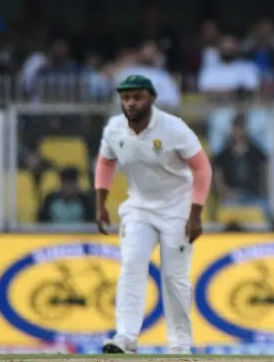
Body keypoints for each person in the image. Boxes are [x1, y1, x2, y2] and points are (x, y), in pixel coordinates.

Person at [94, 75, 212, 354]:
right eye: (126, 98)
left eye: (137, 97)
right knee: (132, 265)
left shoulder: (174, 128)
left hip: (178, 209)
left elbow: (203, 169)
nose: (131, 103)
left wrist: (195, 214)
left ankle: (180, 344)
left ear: (151, 99)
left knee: (174, 277)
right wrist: (101, 203)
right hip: (139, 208)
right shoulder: (114, 129)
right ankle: (125, 338)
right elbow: (105, 162)